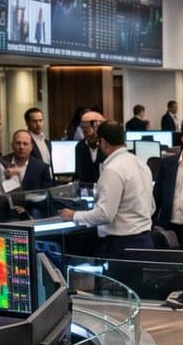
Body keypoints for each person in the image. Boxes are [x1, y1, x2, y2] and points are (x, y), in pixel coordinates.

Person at [60, 121, 154, 257]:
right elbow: (151, 207)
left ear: (103, 142)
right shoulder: (141, 164)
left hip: (122, 246)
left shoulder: (113, 169)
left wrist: (74, 215)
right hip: (145, 241)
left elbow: (104, 214)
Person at [74, 109, 107, 186]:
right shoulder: (80, 147)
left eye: (93, 135)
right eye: (84, 131)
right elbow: (79, 174)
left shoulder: (106, 146)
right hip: (87, 189)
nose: (89, 136)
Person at [22, 107, 52, 176]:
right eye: (35, 121)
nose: (38, 124)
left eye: (40, 120)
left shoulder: (46, 142)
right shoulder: (25, 141)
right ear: (27, 123)